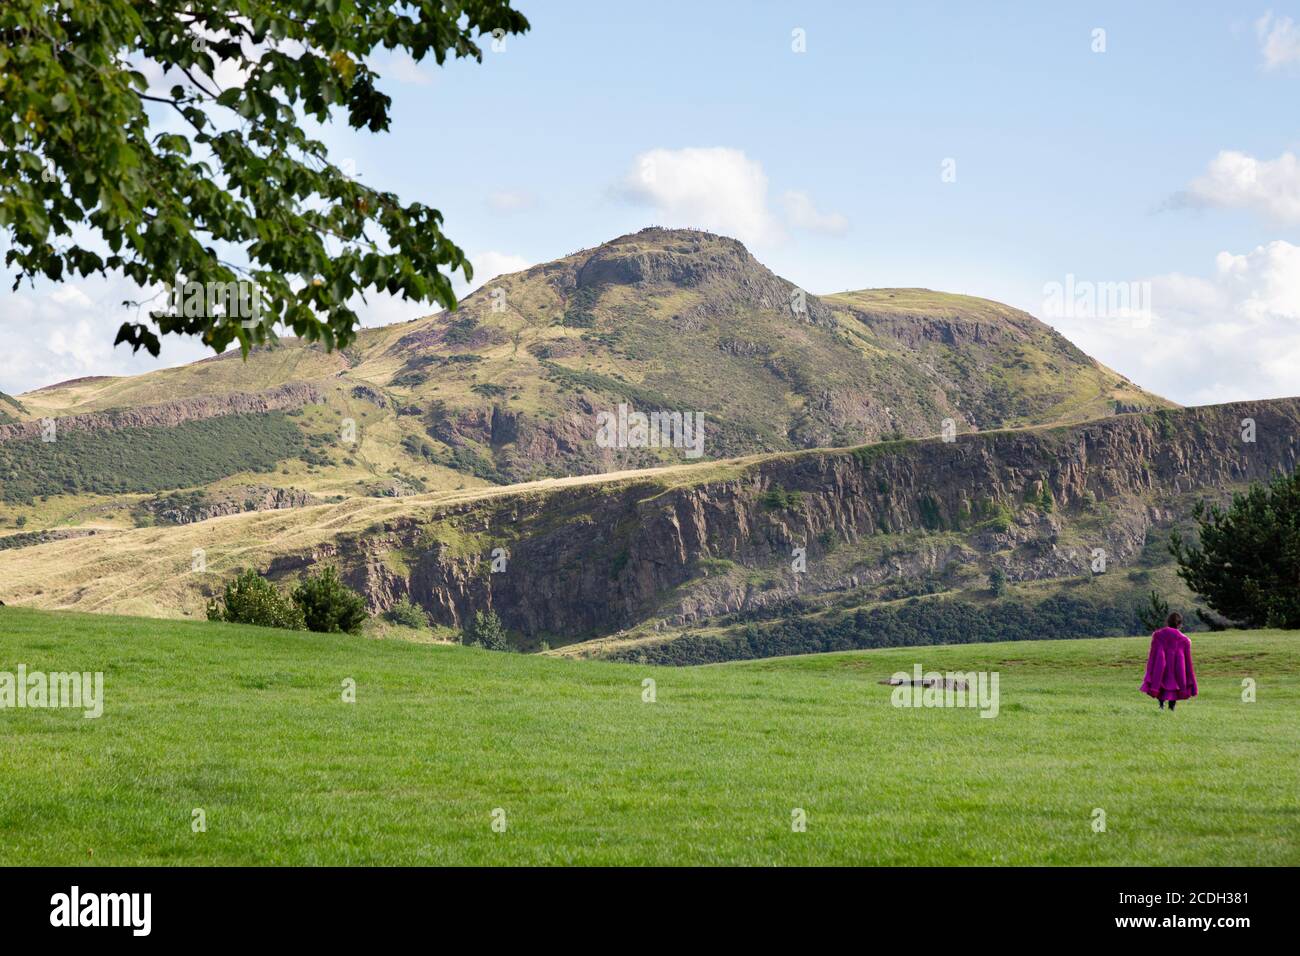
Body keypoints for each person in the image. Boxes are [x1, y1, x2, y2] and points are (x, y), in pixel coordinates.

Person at [1140, 611, 1197, 710]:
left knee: (1160, 681)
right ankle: (1172, 707)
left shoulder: (1157, 635)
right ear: (1180, 624)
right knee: (1174, 685)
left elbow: (1153, 654)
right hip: (1176, 669)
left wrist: (1150, 670)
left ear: (1168, 622)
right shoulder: (1185, 640)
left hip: (1161, 666)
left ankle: (1161, 705)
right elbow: (1188, 662)